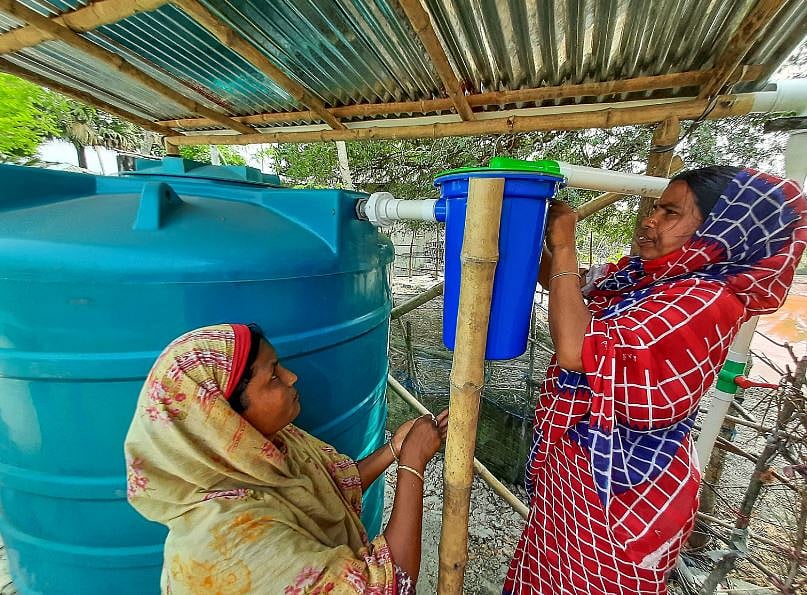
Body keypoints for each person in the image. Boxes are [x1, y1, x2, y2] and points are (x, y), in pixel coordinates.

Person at [504, 167, 807, 594]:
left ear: (719, 232)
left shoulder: (704, 300)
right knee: (548, 571)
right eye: (655, 208)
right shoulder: (645, 278)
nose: (650, 220)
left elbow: (576, 351)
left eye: (670, 213)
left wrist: (565, 244)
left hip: (624, 491)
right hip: (583, 470)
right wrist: (524, 225)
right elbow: (566, 286)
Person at [125, 323, 448, 594]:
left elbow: (332, 487)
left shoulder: (265, 450)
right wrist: (412, 464)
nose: (292, 377)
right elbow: (391, 585)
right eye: (274, 376)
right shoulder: (229, 544)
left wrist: (395, 449)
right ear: (221, 418)